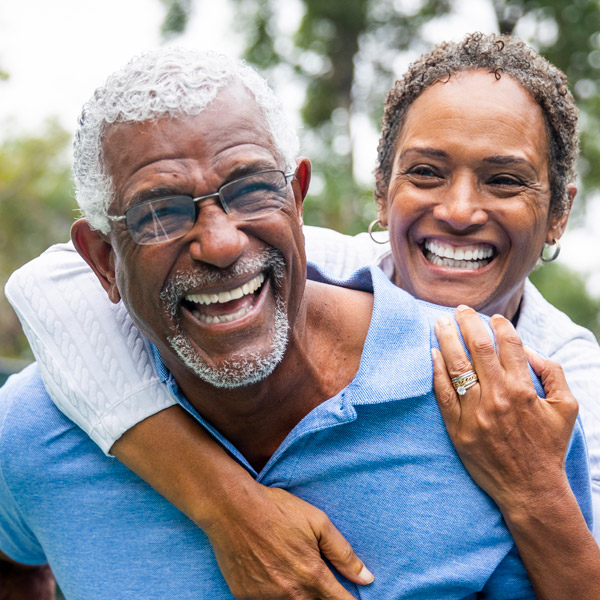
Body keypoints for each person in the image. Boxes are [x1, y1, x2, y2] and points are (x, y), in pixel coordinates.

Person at [2, 37, 598, 598]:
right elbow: (41, 285)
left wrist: (536, 493)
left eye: (505, 180)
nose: (222, 246)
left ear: (297, 196)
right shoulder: (38, 427)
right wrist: (228, 505)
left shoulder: (531, 410)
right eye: (161, 212)